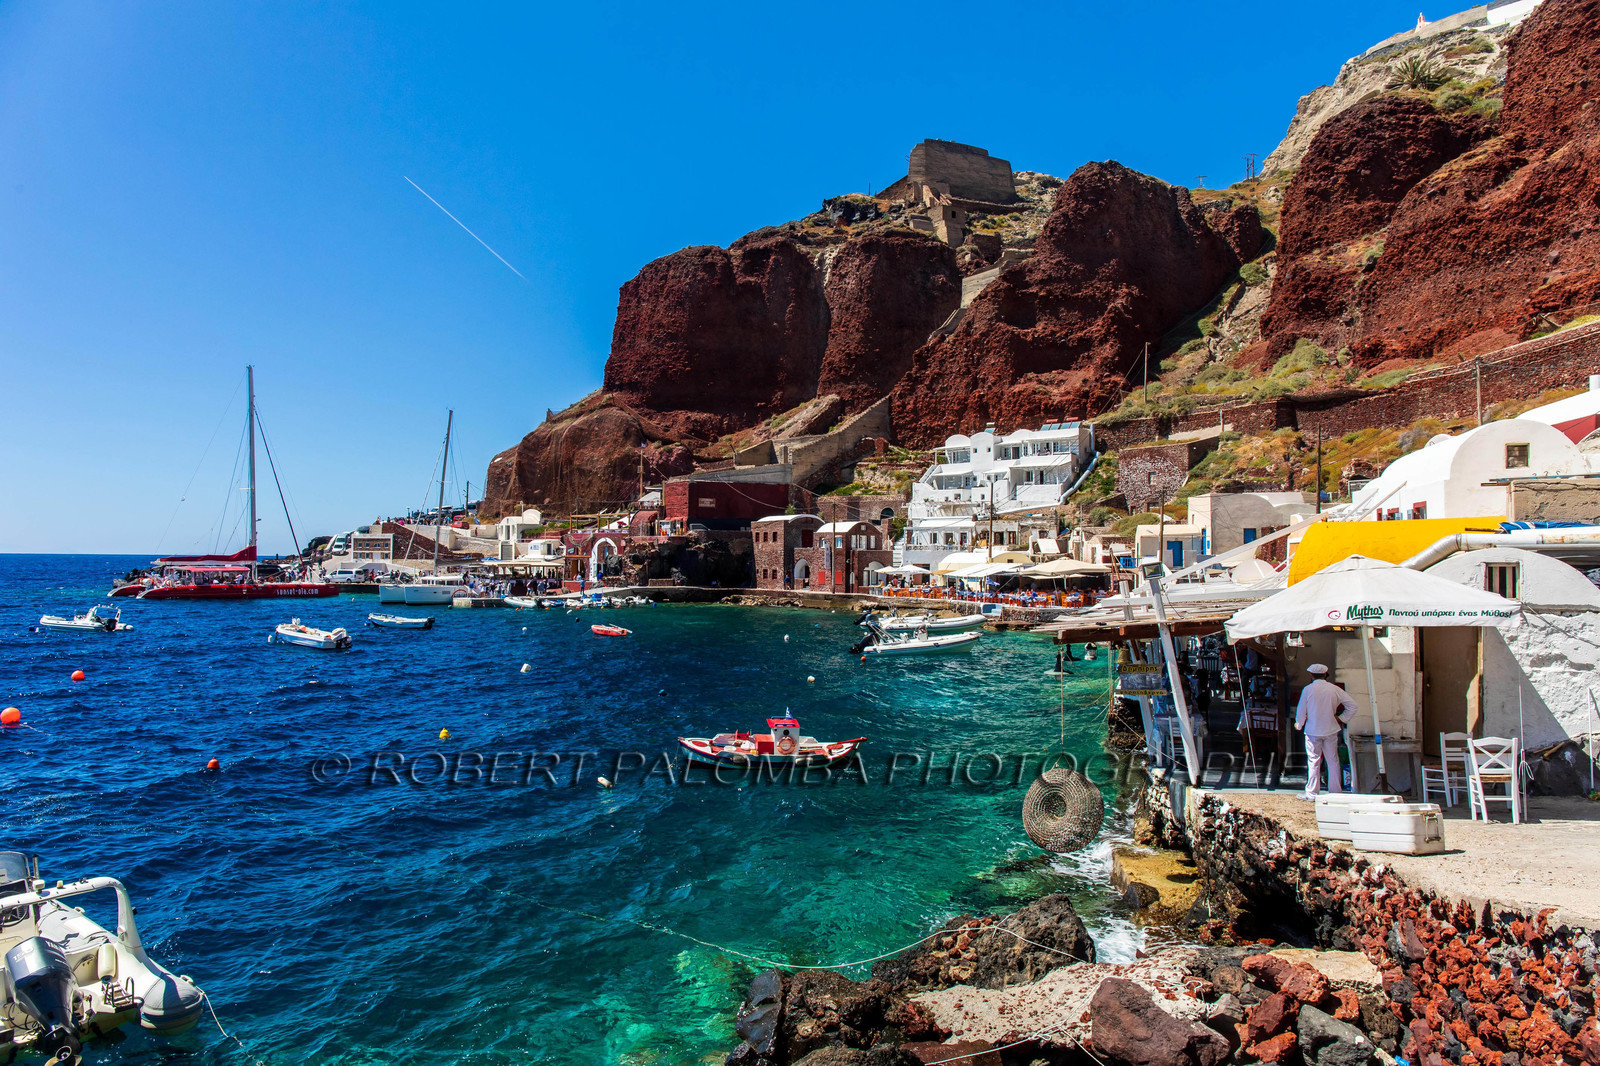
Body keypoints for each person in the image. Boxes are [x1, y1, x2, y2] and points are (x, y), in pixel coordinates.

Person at [1294, 663, 1358, 798]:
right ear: (1325, 674)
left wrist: (1299, 725)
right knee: (1333, 761)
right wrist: (1341, 719)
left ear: (1311, 675)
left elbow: (1301, 711)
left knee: (1314, 761)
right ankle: (1335, 792)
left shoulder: (1308, 689)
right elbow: (1353, 706)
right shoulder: (1334, 689)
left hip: (1313, 730)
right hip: (1330, 729)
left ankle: (1312, 792)